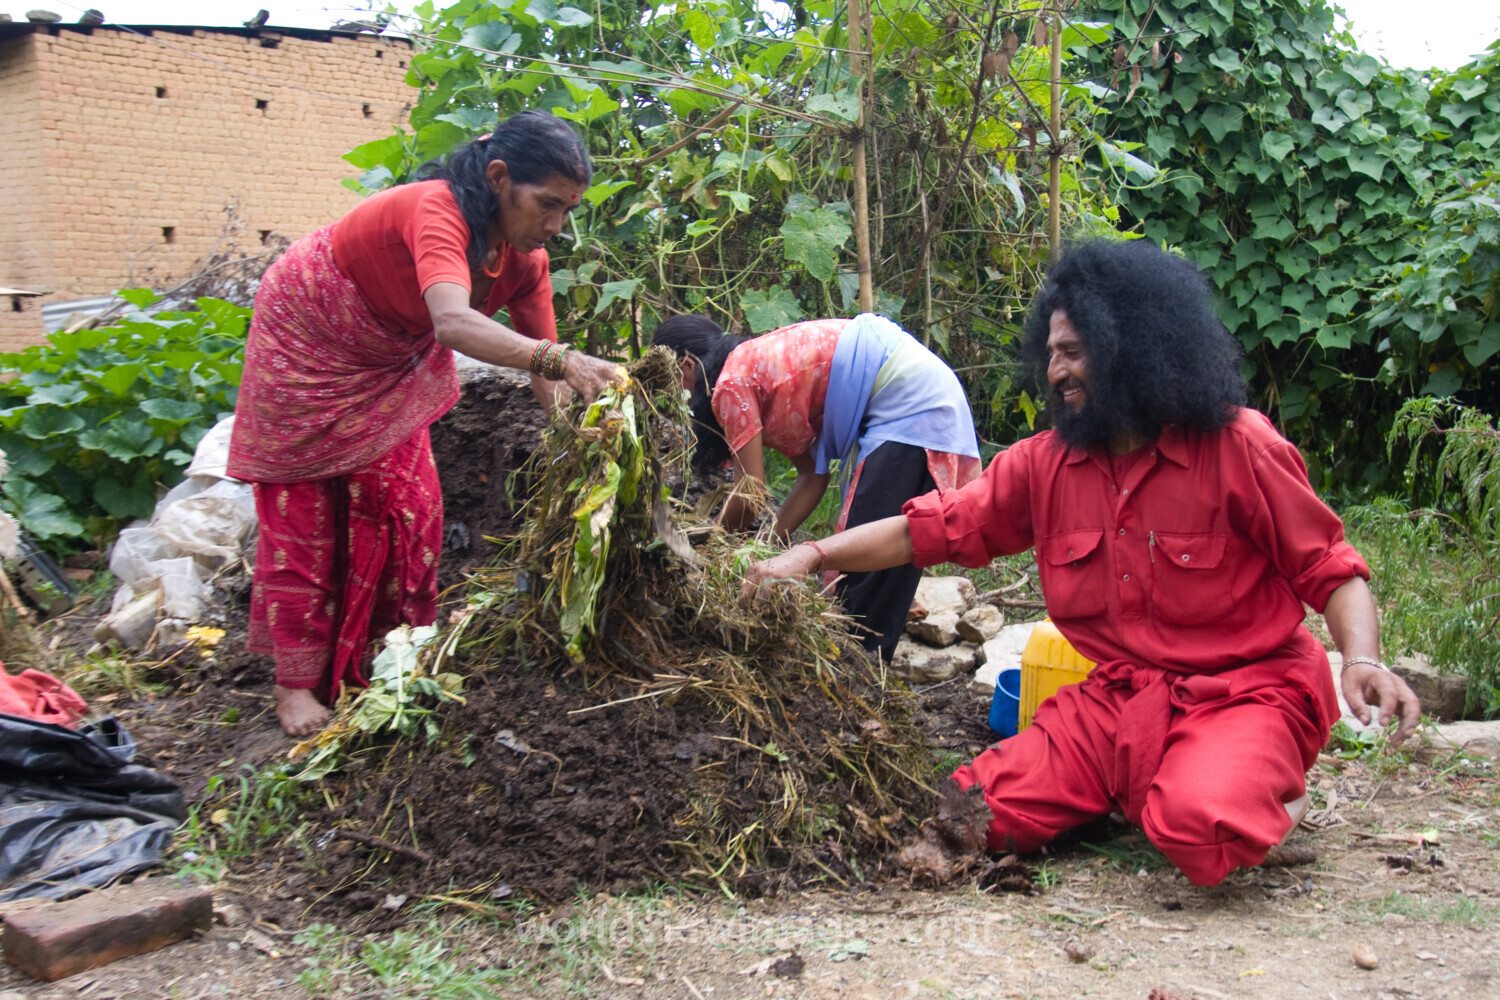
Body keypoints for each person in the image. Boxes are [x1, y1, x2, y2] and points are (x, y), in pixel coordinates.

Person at [740, 240, 1421, 886]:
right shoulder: (1045, 465)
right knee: (963, 811)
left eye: (1073, 351)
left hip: (1248, 693)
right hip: (1120, 706)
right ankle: (1134, 789)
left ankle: (1250, 795)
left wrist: (1361, 661)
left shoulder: (1238, 445)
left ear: (1131, 346)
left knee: (1198, 827)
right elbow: (933, 528)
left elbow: (1332, 567)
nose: (1057, 371)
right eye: (1051, 355)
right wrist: (814, 551)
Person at [227, 111, 620, 737]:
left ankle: (389, 653)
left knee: (407, 506)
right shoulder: (437, 210)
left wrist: (575, 440)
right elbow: (455, 324)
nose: (556, 226)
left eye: (567, 210)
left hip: (389, 357)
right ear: (498, 178)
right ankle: (294, 687)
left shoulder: (526, 260)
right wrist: (563, 359)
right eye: (547, 205)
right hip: (310, 336)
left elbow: (546, 366)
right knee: (306, 515)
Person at [653, 313, 981, 661]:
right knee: (876, 563)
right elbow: (812, 478)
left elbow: (750, 493)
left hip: (912, 402)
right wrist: (769, 551)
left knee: (863, 571)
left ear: (686, 365)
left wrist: (707, 554)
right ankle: (865, 675)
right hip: (924, 392)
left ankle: (860, 680)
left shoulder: (731, 383)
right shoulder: (761, 371)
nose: (681, 398)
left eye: (673, 384)